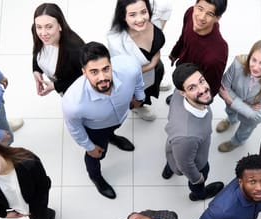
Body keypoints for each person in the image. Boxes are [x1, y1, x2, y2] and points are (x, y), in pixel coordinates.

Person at [62, 41, 145, 199]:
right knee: (96, 155)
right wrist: (90, 147)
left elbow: (138, 79)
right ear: (84, 72)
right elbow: (75, 129)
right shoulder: (73, 103)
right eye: (94, 72)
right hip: (96, 128)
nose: (103, 77)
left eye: (106, 69)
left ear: (111, 64)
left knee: (112, 130)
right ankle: (96, 178)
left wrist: (139, 97)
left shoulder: (130, 66)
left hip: (119, 117)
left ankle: (113, 138)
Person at [162, 63, 224, 201]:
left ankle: (169, 169)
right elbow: (185, 164)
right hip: (194, 160)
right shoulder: (187, 136)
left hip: (174, 146)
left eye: (201, 81)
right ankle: (198, 195)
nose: (202, 89)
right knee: (193, 176)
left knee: (175, 157)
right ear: (183, 92)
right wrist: (197, 178)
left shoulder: (177, 96)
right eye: (192, 87)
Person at [215, 40, 261, 152]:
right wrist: (246, 105)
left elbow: (257, 116)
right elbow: (223, 88)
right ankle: (230, 120)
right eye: (254, 60)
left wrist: (231, 100)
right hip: (234, 106)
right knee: (231, 112)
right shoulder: (238, 63)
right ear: (250, 57)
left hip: (247, 117)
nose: (255, 67)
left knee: (245, 130)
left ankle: (236, 142)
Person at [108, 0, 166, 121]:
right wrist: (151, 65)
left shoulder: (153, 19)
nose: (140, 19)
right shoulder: (117, 42)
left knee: (155, 79)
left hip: (156, 68)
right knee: (143, 93)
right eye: (132, 14)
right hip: (139, 78)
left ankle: (156, 83)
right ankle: (139, 107)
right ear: (123, 16)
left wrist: (155, 62)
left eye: (143, 12)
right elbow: (123, 73)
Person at [166, 0, 228, 104]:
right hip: (183, 66)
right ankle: (178, 95)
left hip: (195, 86)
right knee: (179, 90)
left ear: (217, 18)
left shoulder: (216, 55)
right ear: (195, 6)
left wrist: (197, 103)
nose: (201, 17)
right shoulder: (190, 13)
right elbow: (183, 36)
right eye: (200, 9)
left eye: (209, 14)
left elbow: (212, 86)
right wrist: (175, 53)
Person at [31, 3, 85, 96]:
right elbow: (37, 49)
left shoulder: (75, 49)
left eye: (49, 27)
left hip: (78, 94)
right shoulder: (37, 32)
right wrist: (36, 70)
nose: (43, 33)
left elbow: (84, 77)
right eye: (39, 27)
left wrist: (56, 86)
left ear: (60, 25)